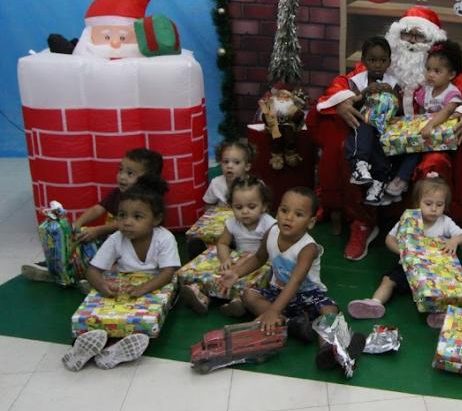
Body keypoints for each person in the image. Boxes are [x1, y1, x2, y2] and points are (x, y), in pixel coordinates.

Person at [311, 6, 462, 261]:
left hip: (423, 139)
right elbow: (343, 83)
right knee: (358, 152)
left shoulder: (444, 68)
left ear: (433, 42)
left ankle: (429, 230)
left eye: (419, 36)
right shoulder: (381, 62)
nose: (412, 41)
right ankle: (363, 224)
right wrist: (344, 101)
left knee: (433, 164)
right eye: (406, 34)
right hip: (382, 132)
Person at [219, 187, 365, 369]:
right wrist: (236, 272)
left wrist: (272, 311)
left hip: (308, 294)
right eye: (284, 210)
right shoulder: (271, 232)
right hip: (278, 291)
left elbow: (295, 282)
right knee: (248, 294)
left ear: (311, 222)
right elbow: (258, 258)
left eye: (298, 214)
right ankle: (291, 324)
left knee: (329, 309)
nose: (289, 217)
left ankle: (327, 347)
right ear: (277, 211)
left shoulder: (308, 248)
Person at [61, 176, 179, 371]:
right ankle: (82, 347)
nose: (127, 223)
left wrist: (142, 289)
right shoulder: (116, 238)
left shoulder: (164, 238)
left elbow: (167, 273)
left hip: (153, 286)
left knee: (143, 315)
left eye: (137, 217)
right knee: (97, 311)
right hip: (121, 286)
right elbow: (93, 270)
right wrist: (102, 286)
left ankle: (116, 348)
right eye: (122, 215)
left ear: (156, 219)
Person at [22, 147, 164, 283]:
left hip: (131, 244)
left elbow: (128, 224)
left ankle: (85, 275)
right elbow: (98, 208)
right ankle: (57, 268)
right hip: (113, 240)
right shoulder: (119, 193)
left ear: (148, 179)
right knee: (80, 239)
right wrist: (77, 224)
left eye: (130, 173)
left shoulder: (148, 200)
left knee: (109, 261)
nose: (122, 177)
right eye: (120, 170)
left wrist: (99, 230)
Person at [347, 175, 462, 328]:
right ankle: (375, 303)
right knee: (388, 280)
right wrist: (403, 252)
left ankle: (438, 314)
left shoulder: (445, 222)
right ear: (418, 203)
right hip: (408, 266)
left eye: (439, 204)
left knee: (439, 290)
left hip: (433, 271)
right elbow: (389, 239)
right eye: (428, 203)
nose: (434, 209)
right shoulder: (409, 220)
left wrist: (455, 240)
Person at [178, 175, 276, 316]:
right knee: (217, 270)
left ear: (264, 206)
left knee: (254, 278)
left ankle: (238, 301)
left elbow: (266, 254)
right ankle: (201, 295)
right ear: (231, 206)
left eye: (251, 206)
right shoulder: (232, 223)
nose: (245, 211)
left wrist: (243, 263)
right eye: (238, 207)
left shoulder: (268, 223)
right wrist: (225, 260)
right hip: (239, 258)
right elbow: (222, 243)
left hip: (261, 261)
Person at [384, 40, 462, 202]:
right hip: (425, 133)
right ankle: (391, 182)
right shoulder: (427, 90)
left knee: (413, 151)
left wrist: (430, 125)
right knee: (401, 148)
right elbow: (420, 112)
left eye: (437, 71)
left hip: (441, 137)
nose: (430, 74)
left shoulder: (451, 93)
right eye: (428, 69)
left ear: (451, 74)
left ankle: (402, 181)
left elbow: (446, 112)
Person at [344, 36, 399, 205]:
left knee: (381, 146)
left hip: (383, 127)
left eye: (382, 60)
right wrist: (367, 91)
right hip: (362, 124)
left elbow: (400, 109)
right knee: (365, 129)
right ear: (363, 61)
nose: (377, 64)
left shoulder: (393, 82)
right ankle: (360, 166)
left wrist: (392, 93)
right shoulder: (357, 81)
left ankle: (379, 182)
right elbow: (351, 103)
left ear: (389, 62)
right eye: (372, 60)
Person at [203, 139, 256, 206]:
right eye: (226, 162)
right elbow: (208, 205)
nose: (229, 166)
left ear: (247, 167)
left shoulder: (255, 184)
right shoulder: (216, 183)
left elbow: (262, 207)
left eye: (236, 162)